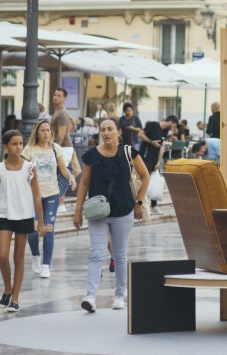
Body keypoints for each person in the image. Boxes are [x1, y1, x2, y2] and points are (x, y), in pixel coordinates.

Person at [74, 118, 147, 312]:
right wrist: (77, 211)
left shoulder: (129, 152)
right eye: (103, 130)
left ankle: (119, 295)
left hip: (123, 210)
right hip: (97, 212)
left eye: (110, 129)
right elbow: (84, 183)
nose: (106, 133)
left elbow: (145, 176)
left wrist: (139, 202)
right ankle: (90, 296)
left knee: (119, 255)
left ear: (118, 132)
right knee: (97, 254)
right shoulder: (91, 155)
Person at [0, 129, 45, 314]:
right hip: (5, 215)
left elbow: (37, 196)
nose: (18, 147)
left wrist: (41, 223)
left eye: (20, 143)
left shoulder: (30, 168)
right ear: (6, 146)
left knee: (18, 257)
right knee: (3, 255)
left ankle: (15, 298)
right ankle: (7, 288)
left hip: (24, 216)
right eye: (14, 143)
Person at [23, 119, 74, 278]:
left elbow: (63, 168)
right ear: (37, 133)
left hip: (52, 193)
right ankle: (36, 257)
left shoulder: (55, 148)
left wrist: (71, 177)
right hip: (33, 195)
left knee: (49, 229)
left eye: (48, 130)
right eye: (43, 130)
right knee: (32, 230)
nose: (46, 133)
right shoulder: (29, 150)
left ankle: (46, 265)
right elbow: (22, 170)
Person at [49, 87, 80, 178]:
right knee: (58, 180)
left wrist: (55, 151)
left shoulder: (62, 113)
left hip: (63, 148)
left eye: (59, 96)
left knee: (60, 179)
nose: (56, 97)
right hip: (61, 148)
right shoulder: (57, 111)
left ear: (64, 98)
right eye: (55, 95)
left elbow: (61, 134)